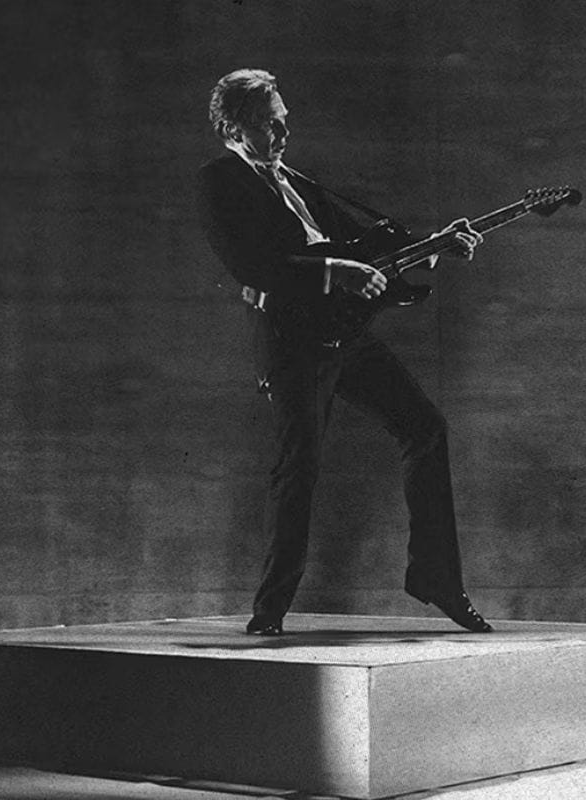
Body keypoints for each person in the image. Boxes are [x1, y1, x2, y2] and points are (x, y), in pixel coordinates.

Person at [197, 68, 492, 635]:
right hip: (290, 342)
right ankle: (270, 611)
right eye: (269, 124)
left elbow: (369, 245)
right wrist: (336, 272)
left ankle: (435, 577)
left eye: (284, 121)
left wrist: (434, 247)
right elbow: (250, 265)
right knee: (299, 467)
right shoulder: (219, 181)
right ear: (233, 129)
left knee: (425, 428)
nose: (283, 134)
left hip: (343, 334)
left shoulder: (297, 181)